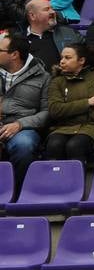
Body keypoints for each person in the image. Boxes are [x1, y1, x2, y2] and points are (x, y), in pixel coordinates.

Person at [0, 28, 49, 185]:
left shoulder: (43, 77)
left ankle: (19, 192)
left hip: (22, 127)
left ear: (14, 55)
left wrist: (20, 124)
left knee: (24, 145)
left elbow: (47, 112)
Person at [23, 0, 80, 71]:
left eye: (52, 8)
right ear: (32, 16)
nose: (53, 12)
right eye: (46, 9)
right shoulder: (20, 39)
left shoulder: (69, 33)